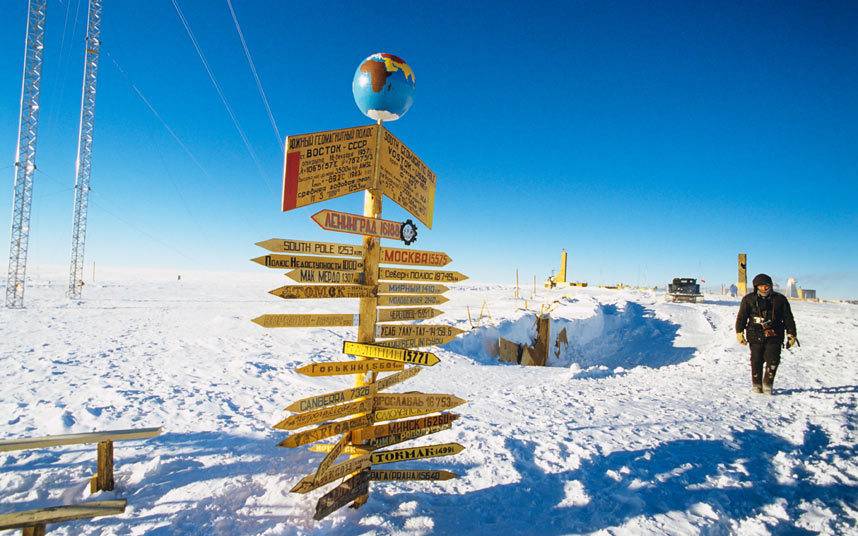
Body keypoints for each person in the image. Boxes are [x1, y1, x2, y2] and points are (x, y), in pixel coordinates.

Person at [735, 274, 798, 394]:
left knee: (773, 359)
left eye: (767, 285)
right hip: (755, 333)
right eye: (761, 285)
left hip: (775, 334)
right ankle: (757, 385)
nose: (764, 288)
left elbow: (788, 318)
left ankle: (768, 384)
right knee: (756, 360)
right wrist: (739, 332)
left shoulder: (780, 299)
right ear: (756, 286)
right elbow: (741, 317)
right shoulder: (748, 299)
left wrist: (791, 334)